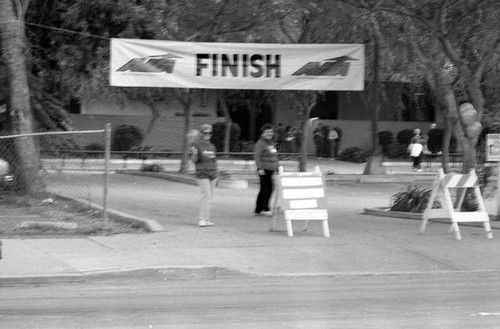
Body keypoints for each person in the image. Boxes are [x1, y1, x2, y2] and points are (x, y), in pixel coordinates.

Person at [189, 124, 218, 227]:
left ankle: (207, 219)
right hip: (202, 173)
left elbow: (214, 160)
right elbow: (193, 159)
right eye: (206, 133)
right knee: (206, 196)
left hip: (213, 173)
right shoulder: (196, 144)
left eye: (210, 133)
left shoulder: (212, 145)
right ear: (201, 133)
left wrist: (216, 173)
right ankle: (201, 219)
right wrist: (194, 155)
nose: (208, 135)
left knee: (210, 198)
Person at [254, 123, 279, 217]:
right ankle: (263, 208)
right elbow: (257, 156)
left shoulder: (271, 143)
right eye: (267, 132)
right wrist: (260, 168)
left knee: (268, 188)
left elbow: (275, 155)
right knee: (266, 188)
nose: (269, 134)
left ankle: (261, 208)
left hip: (271, 169)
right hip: (264, 169)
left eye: (271, 132)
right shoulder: (261, 143)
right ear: (262, 133)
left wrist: (277, 167)